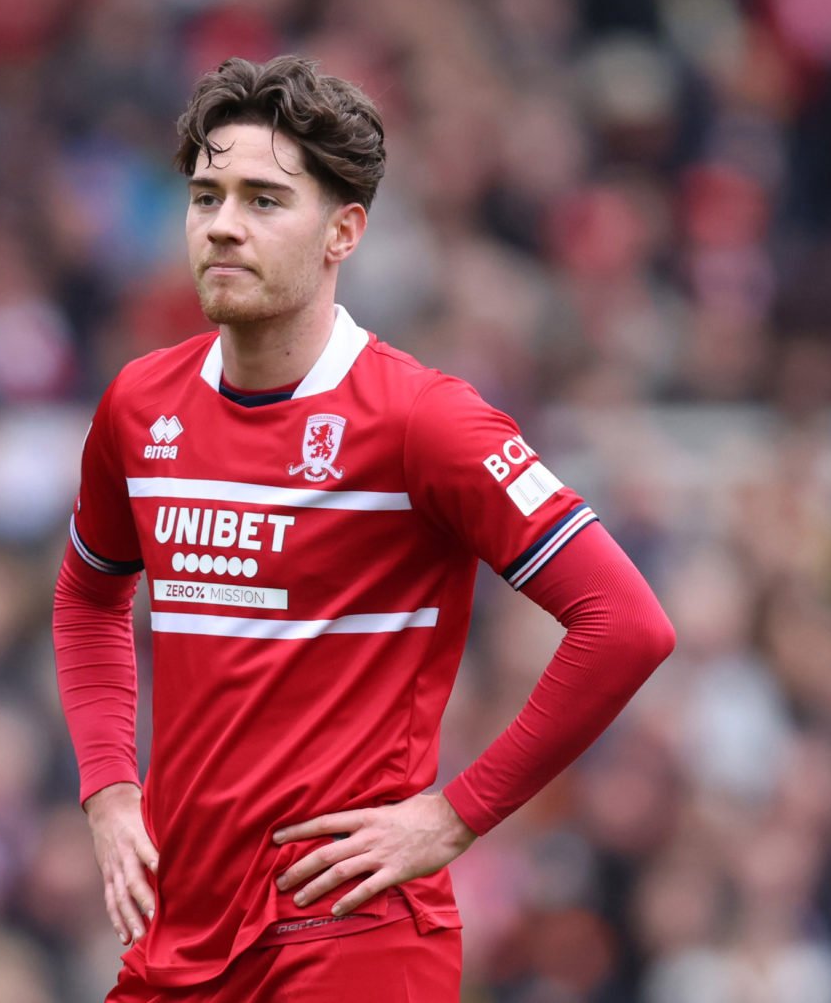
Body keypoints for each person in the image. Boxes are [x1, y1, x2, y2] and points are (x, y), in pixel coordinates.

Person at [52, 55, 676, 1001]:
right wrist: (108, 790)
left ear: (344, 231)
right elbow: (89, 593)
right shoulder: (140, 405)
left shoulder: (427, 421)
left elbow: (626, 623)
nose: (223, 223)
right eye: (206, 195)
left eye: (265, 200)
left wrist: (456, 816)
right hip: (178, 929)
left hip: (350, 930)